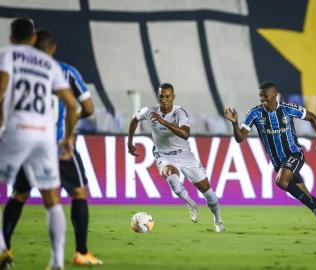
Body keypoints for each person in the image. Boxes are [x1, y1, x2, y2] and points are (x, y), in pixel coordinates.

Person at [2, 30, 103, 266]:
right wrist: (70, 127)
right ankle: (81, 252)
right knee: (78, 193)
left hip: (25, 140)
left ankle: (6, 248)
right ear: (53, 49)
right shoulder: (64, 71)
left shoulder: (17, 69)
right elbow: (87, 107)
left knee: (20, 194)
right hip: (57, 144)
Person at [224, 82, 316, 236]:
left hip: (294, 154)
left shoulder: (288, 109)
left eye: (265, 95)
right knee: (307, 197)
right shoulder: (255, 113)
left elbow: (313, 118)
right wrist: (235, 124)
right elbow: (240, 138)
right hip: (279, 163)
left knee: (281, 181)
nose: (262, 99)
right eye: (260, 95)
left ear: (275, 95)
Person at [127, 83, 225, 232]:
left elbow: (185, 134)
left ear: (173, 97)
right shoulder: (149, 111)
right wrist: (129, 141)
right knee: (171, 177)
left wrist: (163, 121)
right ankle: (191, 204)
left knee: (209, 194)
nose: (164, 100)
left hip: (185, 157)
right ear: (158, 97)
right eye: (161, 96)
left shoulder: (180, 113)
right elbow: (134, 119)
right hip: (164, 156)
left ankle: (218, 220)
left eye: (167, 96)